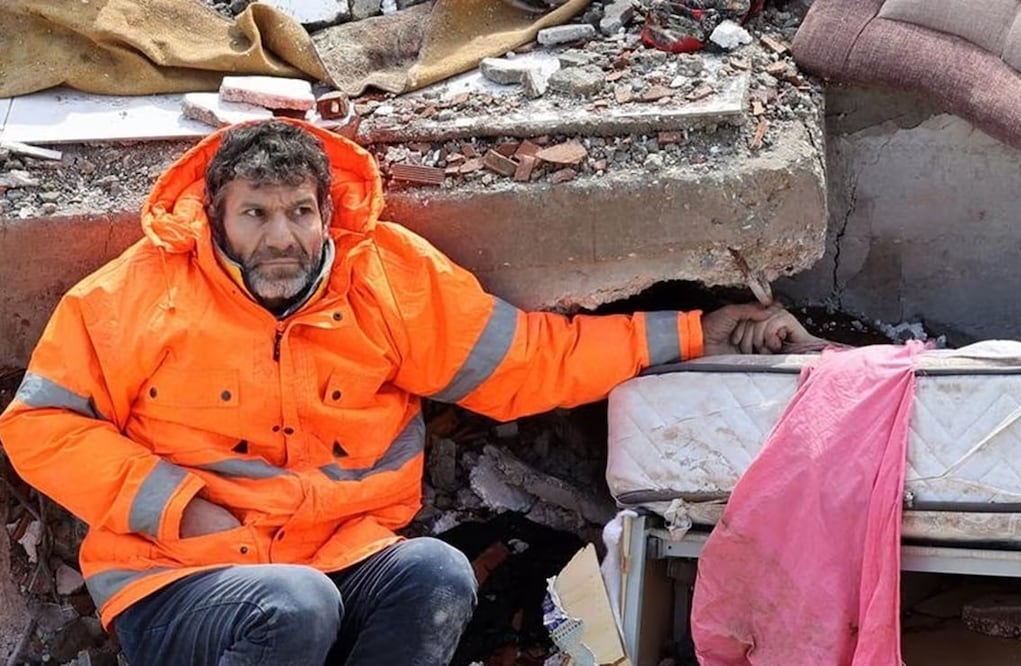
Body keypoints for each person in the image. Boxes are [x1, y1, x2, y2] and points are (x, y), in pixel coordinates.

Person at [0, 119, 816, 665]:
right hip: (176, 578)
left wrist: (703, 331)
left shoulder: (385, 275)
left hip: (338, 557)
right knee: (295, 608)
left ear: (328, 213)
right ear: (215, 215)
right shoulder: (132, 294)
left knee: (434, 573)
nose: (281, 237)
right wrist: (180, 506)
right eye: (256, 214)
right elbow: (39, 425)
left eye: (300, 212)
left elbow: (531, 361)